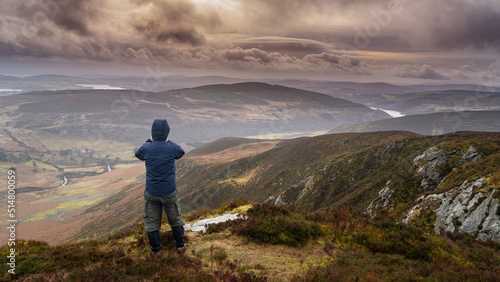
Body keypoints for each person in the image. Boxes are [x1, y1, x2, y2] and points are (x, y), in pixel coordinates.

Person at [135, 119, 186, 257]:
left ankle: (156, 250)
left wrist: (149, 140)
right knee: (175, 219)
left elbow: (137, 153)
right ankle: (180, 246)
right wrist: (167, 141)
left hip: (151, 192)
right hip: (169, 191)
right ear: (167, 132)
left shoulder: (147, 148)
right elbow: (181, 152)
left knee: (152, 222)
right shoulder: (171, 147)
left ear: (152, 132)